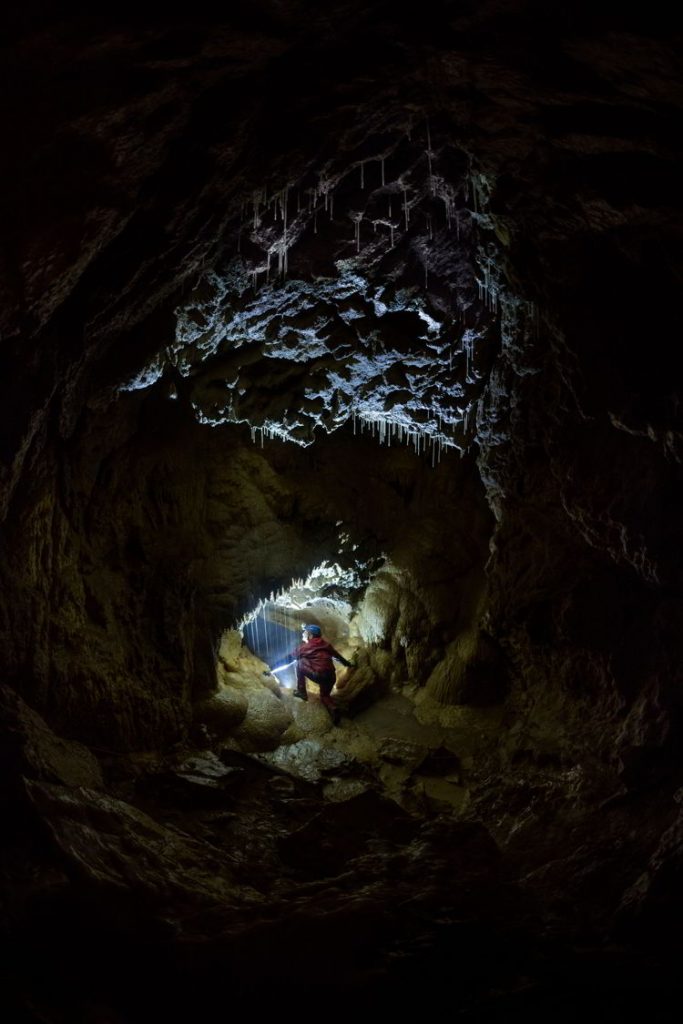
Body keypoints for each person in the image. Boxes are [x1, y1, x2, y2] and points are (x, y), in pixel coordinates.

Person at [281, 624, 353, 725]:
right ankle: (334, 709)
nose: (303, 634)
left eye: (305, 632)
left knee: (300, 662)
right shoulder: (326, 645)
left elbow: (288, 659)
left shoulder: (304, 647)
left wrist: (271, 669)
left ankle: (302, 692)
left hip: (319, 675)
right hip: (331, 676)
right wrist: (349, 664)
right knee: (324, 695)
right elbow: (338, 657)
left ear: (310, 635)